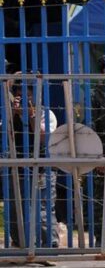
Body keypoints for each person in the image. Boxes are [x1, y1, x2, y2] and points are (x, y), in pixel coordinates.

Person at [6, 73, 58, 248]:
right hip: (17, 166)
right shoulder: (10, 114)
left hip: (41, 166)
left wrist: (30, 115)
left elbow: (44, 138)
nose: (25, 99)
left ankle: (48, 245)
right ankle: (22, 243)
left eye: (29, 95)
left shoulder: (46, 113)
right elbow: (6, 135)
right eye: (21, 95)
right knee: (16, 207)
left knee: (42, 207)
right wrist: (14, 113)